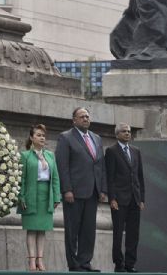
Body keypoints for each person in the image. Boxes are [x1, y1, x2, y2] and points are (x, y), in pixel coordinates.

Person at [55, 107, 107, 272]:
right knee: (72, 230)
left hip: (92, 192)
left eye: (87, 116)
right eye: (82, 116)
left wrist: (103, 189)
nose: (86, 119)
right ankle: (74, 264)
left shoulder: (97, 138)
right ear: (74, 120)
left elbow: (101, 166)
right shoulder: (66, 137)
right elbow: (62, 166)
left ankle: (85, 262)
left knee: (88, 230)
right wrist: (67, 189)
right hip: (74, 193)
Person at [17, 124, 61, 272]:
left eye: (43, 135)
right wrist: (21, 197)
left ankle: (40, 260)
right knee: (32, 229)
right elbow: (21, 179)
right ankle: (31, 260)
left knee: (42, 229)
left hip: (46, 195)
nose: (42, 138)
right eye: (38, 135)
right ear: (31, 138)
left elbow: (55, 177)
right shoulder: (25, 156)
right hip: (30, 195)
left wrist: (56, 197)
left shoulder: (50, 155)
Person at [105, 123, 145, 273]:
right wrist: (112, 198)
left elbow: (139, 176)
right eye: (124, 131)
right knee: (118, 233)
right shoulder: (111, 151)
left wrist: (142, 199)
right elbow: (110, 178)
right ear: (117, 135)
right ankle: (118, 263)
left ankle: (130, 264)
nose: (127, 133)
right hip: (119, 200)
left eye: (129, 131)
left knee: (133, 234)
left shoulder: (136, 151)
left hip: (135, 199)